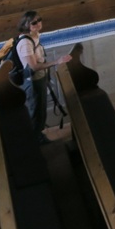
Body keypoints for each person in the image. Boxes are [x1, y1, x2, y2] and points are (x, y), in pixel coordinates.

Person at [15, 10, 70, 142]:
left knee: (40, 111)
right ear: (26, 25)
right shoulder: (25, 43)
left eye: (39, 20)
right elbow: (33, 67)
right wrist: (56, 62)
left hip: (40, 78)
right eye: (34, 22)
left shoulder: (35, 36)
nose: (38, 23)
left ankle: (38, 136)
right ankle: (34, 141)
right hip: (33, 81)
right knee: (36, 112)